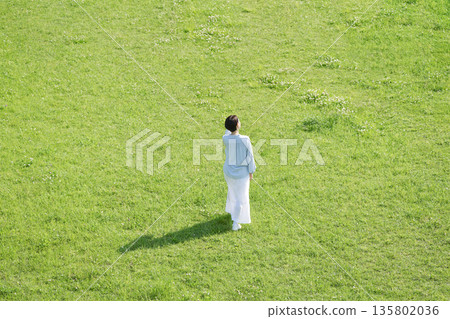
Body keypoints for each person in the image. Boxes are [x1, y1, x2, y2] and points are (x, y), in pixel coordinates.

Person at [222, 115, 256, 231]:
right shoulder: (245, 139)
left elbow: (228, 132)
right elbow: (250, 157)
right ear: (237, 125)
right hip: (241, 174)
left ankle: (231, 211)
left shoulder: (225, 138)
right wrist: (251, 171)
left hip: (228, 172)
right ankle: (236, 223)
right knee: (240, 198)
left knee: (232, 191)